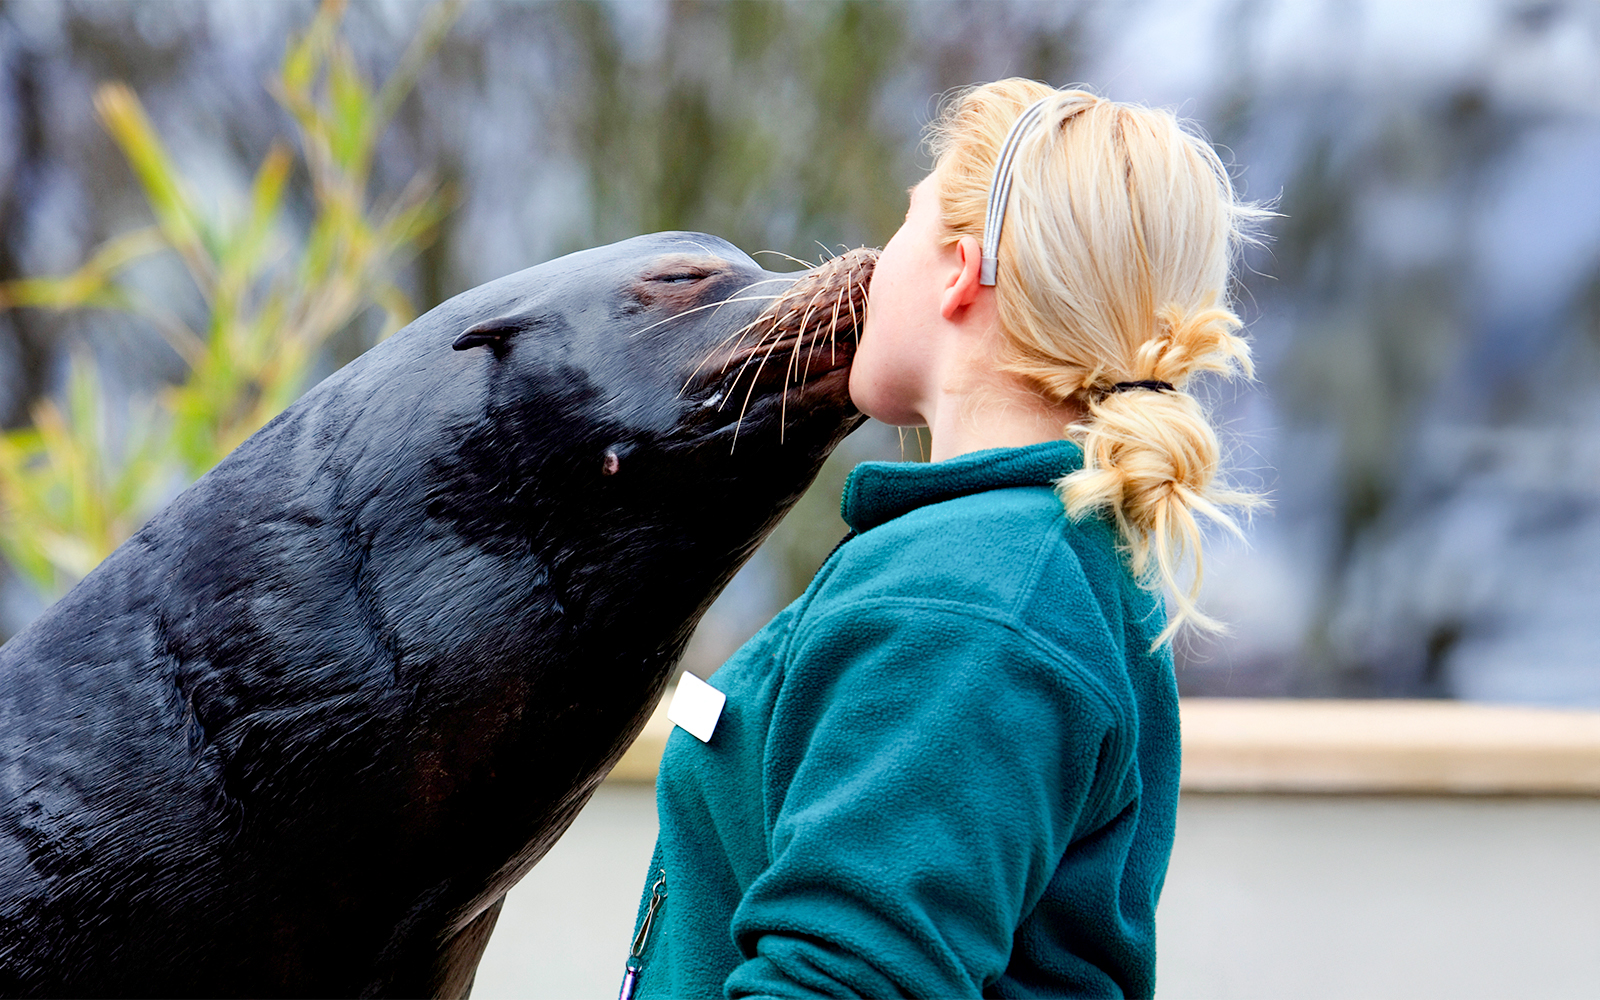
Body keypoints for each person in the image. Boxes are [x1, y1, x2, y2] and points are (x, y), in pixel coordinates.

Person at [621, 79, 1267, 999]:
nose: (874, 262)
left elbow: (843, 983)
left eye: (906, 221)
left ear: (962, 267)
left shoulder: (972, 605)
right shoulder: (1018, 564)